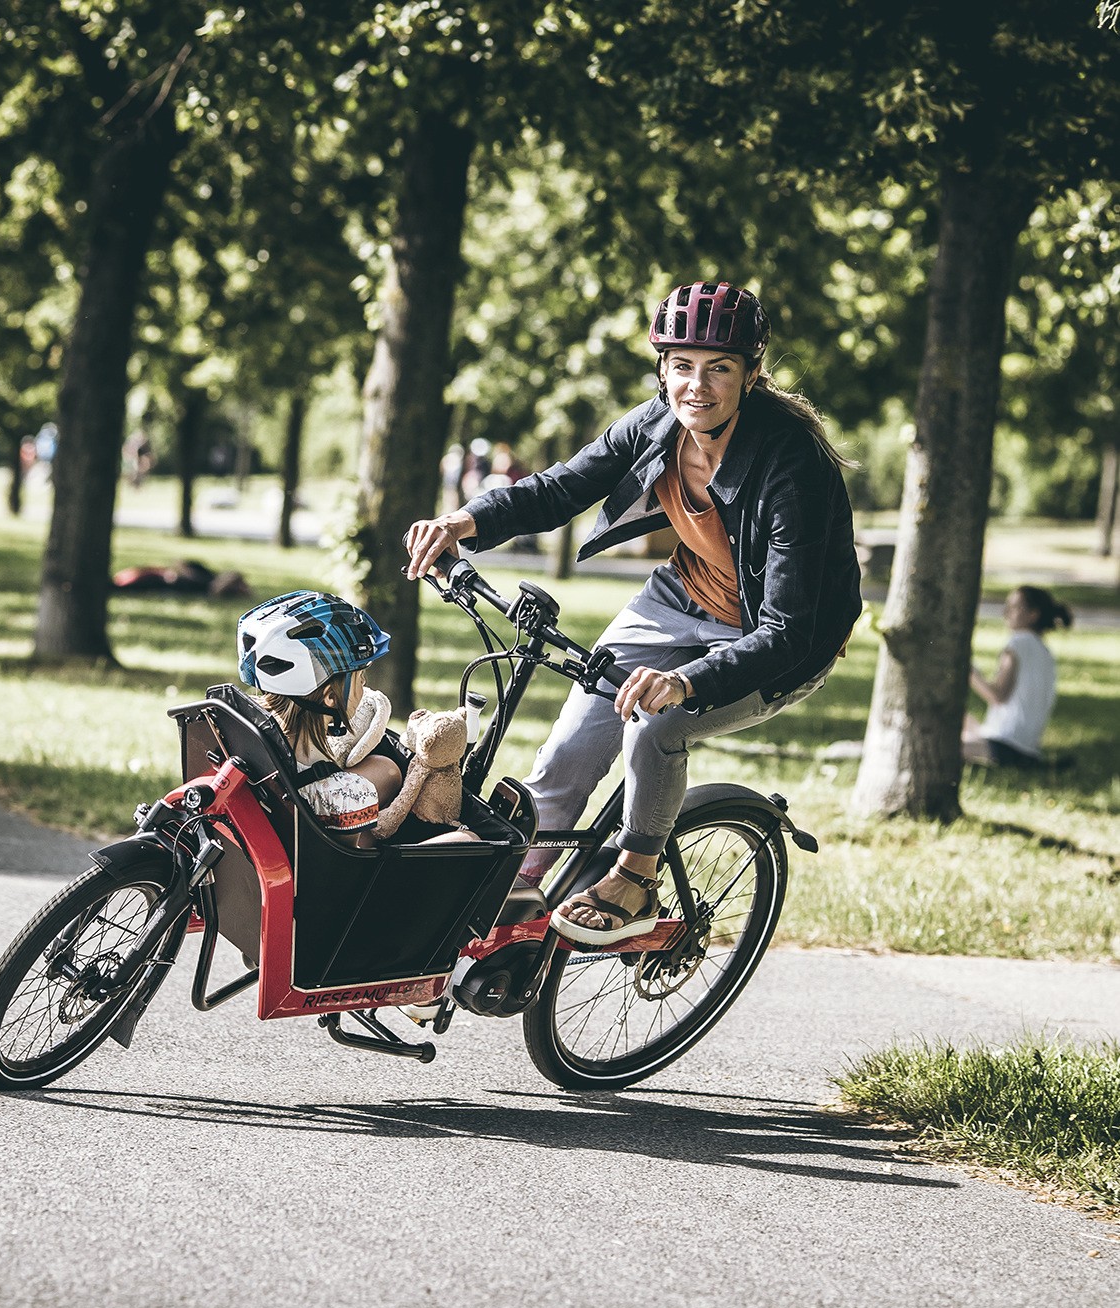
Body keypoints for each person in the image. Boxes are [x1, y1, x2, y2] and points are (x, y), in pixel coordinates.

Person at [405, 279, 863, 945]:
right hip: (677, 601)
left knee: (656, 724)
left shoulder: (791, 467)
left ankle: (636, 876)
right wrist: (464, 521)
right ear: (661, 367)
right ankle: (514, 900)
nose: (696, 387)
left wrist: (686, 681)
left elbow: (785, 631)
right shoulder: (654, 423)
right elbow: (560, 486)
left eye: (719, 369)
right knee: (564, 754)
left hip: (776, 640)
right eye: (681, 367)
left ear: (752, 374)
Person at [237, 591, 401, 845]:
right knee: (465, 836)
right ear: (329, 698)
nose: (364, 684)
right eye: (358, 677)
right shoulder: (341, 797)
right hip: (321, 861)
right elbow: (350, 866)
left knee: (386, 769)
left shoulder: (242, 731)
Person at [962, 585, 1072, 768]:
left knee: (940, 745)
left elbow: (997, 696)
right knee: (958, 718)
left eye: (1014, 607)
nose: (1006, 612)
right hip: (1026, 746)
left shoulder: (1018, 642)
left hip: (1004, 744)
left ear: (1032, 615)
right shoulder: (1044, 651)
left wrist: (967, 670)